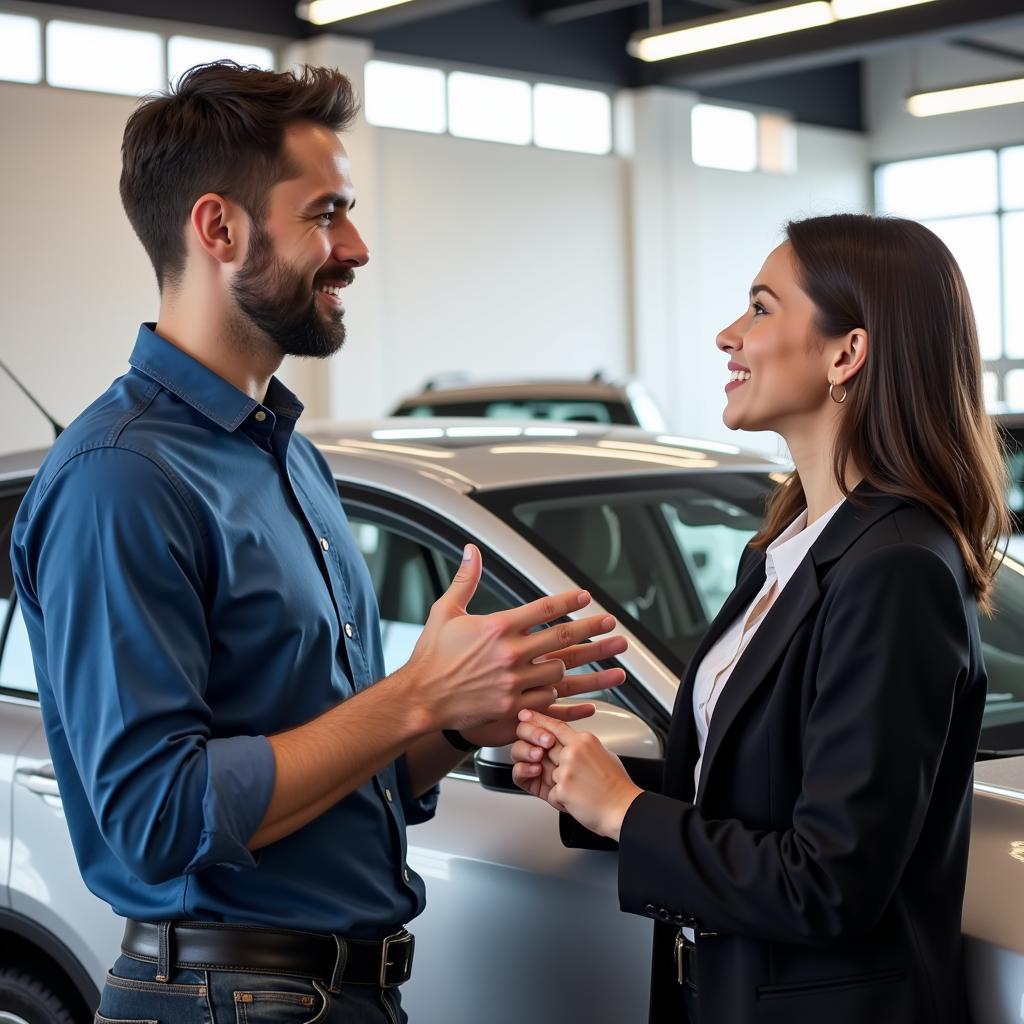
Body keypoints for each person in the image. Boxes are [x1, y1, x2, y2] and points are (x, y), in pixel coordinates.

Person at [10, 62, 627, 1024]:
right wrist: (414, 694)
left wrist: (456, 719)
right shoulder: (120, 480)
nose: (357, 247)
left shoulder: (286, 461)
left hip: (331, 995)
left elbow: (345, 773)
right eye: (326, 213)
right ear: (218, 228)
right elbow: (154, 820)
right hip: (225, 1000)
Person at [511, 213, 1007, 1024]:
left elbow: (830, 883)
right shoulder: (786, 548)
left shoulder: (897, 570)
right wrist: (588, 782)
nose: (726, 334)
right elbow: (758, 804)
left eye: (761, 307)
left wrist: (623, 810)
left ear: (847, 353)